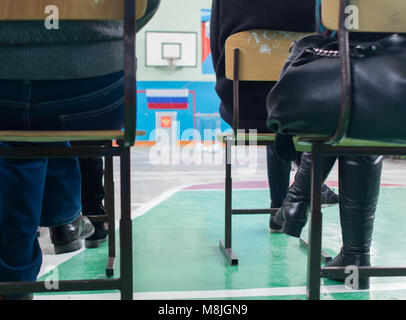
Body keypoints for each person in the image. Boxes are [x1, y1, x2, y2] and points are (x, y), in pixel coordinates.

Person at [0, 0, 161, 300]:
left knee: (19, 138)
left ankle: (17, 280)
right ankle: (66, 221)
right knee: (44, 124)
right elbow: (146, 5)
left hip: (5, 83)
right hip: (97, 90)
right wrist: (111, 32)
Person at [210, 0, 338, 224]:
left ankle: (280, 206)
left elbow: (216, 47)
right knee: (289, 111)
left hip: (242, 109)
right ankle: (307, 186)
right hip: (303, 107)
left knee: (274, 112)